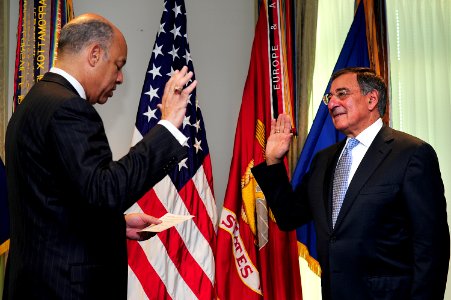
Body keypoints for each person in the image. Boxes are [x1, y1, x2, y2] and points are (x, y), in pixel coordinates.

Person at [4, 13, 197, 299]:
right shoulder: (69, 109)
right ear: (95, 54)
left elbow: (57, 202)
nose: (120, 78)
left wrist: (116, 225)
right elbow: (106, 190)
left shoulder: (35, 102)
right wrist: (167, 126)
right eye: (118, 66)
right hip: (65, 289)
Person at [252, 67, 450, 300]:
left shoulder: (411, 154)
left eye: (342, 94)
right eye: (330, 97)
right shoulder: (323, 160)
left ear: (371, 99)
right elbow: (289, 217)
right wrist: (273, 161)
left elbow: (431, 247)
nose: (331, 103)